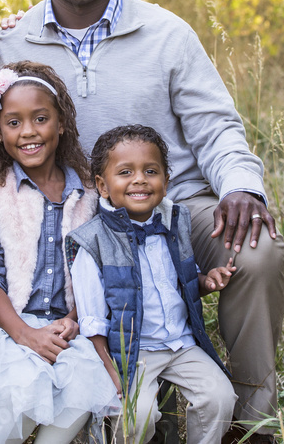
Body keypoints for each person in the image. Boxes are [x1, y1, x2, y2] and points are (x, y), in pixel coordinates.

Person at [0, 0, 284, 442]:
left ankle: (251, 418)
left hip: (176, 205)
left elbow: (217, 125)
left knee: (257, 252)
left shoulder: (166, 33)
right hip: (76, 211)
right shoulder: (11, 40)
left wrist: (241, 186)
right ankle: (116, 394)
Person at [0, 61, 120, 444]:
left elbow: (98, 272)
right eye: (14, 122)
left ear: (61, 123)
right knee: (18, 396)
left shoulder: (90, 195)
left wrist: (74, 318)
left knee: (84, 385)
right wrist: (26, 334)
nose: (28, 132)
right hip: (10, 327)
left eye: (40, 119)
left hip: (69, 329)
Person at [69, 125, 238, 443]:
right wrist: (108, 368)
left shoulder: (176, 219)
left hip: (181, 343)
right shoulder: (91, 241)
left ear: (166, 179)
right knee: (138, 416)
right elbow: (91, 319)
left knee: (220, 397)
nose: (139, 179)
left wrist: (206, 281)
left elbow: (181, 279)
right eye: (125, 172)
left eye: (151, 170)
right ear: (103, 186)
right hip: (134, 351)